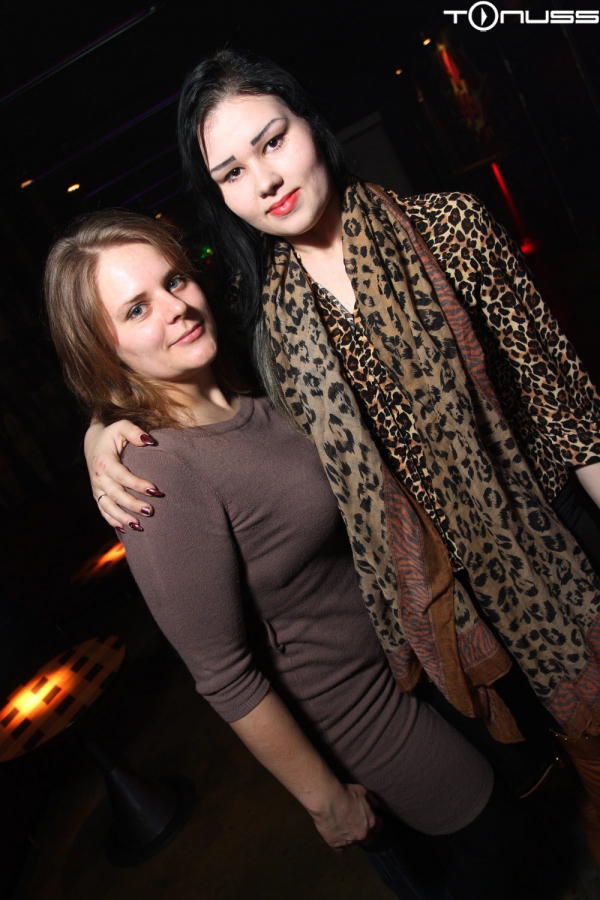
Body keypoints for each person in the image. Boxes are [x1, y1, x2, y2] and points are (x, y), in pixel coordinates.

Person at [84, 51, 600, 860]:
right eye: (231, 171)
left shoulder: (450, 228)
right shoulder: (264, 329)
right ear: (220, 196)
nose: (265, 179)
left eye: (272, 141)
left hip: (555, 541)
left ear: (311, 125)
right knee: (565, 796)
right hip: (447, 615)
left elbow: (571, 417)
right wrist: (102, 427)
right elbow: (185, 395)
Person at [44, 208, 526, 900]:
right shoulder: (156, 474)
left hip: (410, 660)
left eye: (174, 280)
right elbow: (223, 674)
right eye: (136, 309)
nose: (176, 309)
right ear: (102, 348)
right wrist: (324, 798)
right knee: (497, 842)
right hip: (354, 712)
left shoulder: (240, 375)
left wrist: (98, 423)